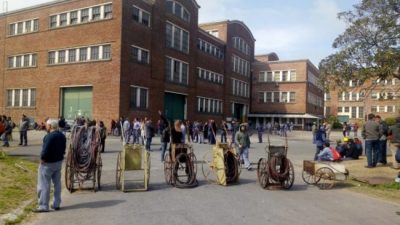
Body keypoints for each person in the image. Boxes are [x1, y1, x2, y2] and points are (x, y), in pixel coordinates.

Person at [33, 119, 66, 213]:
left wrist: (42, 159)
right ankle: (56, 204)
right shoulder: (62, 136)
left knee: (44, 184)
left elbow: (45, 150)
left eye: (47, 125)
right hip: (58, 162)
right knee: (57, 184)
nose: (46, 127)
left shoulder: (49, 136)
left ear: (50, 126)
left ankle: (43, 205)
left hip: (48, 163)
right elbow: (63, 149)